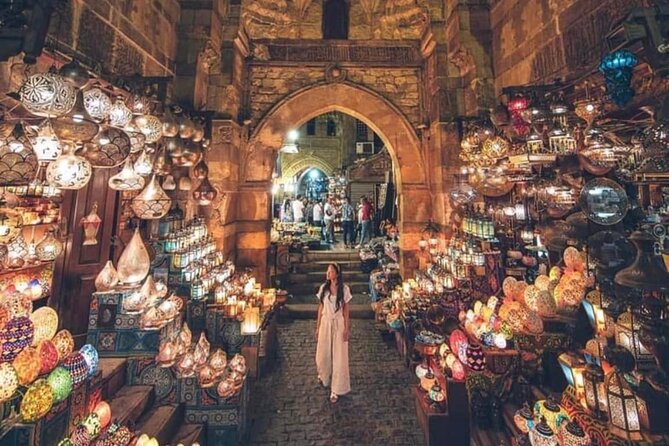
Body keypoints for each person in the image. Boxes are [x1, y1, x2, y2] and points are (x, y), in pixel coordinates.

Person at [315, 263, 352, 403]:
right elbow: (320, 308)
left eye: (331, 271)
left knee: (339, 356)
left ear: (337, 274)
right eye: (327, 271)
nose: (328, 273)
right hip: (325, 322)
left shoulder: (344, 289)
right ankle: (324, 374)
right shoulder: (323, 288)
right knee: (322, 353)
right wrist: (318, 327)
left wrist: (346, 328)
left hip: (338, 324)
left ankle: (336, 389)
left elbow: (346, 311)